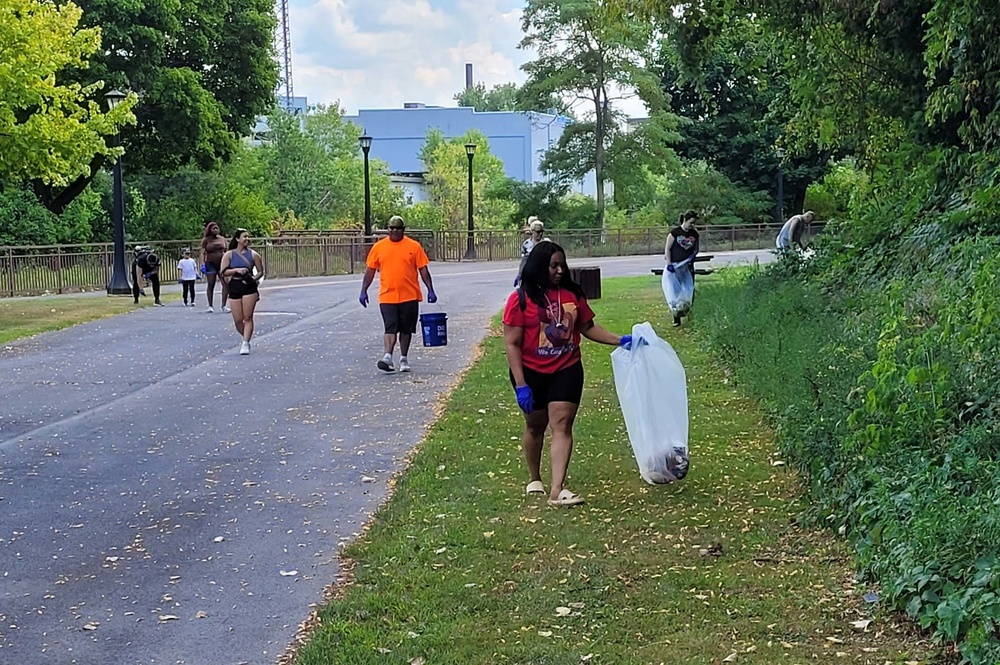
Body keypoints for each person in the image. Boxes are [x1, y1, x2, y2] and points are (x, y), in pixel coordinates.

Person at [502, 241, 633, 507]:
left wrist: (621, 340)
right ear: (540, 267)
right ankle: (534, 477)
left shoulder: (573, 295)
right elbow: (512, 343)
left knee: (562, 425)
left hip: (566, 368)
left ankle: (557, 489)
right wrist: (521, 384)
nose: (560, 270)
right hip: (530, 371)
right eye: (553, 266)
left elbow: (587, 327)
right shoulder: (521, 299)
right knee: (535, 425)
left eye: (562, 265)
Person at [359, 215, 437, 373]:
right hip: (387, 295)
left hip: (409, 295)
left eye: (398, 228)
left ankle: (403, 358)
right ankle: (387, 356)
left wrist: (430, 289)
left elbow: (423, 270)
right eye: (391, 228)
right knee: (390, 326)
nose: (394, 231)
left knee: (406, 329)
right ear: (388, 229)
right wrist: (363, 290)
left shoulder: (413, 246)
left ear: (403, 230)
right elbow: (370, 271)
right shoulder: (379, 247)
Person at [219, 229, 265, 355]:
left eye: (248, 236)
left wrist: (253, 279)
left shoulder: (254, 255)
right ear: (237, 239)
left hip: (248, 286)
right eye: (244, 236)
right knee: (238, 319)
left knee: (247, 317)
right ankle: (246, 336)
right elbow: (223, 272)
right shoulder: (229, 255)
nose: (247, 239)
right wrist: (237, 270)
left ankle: (245, 342)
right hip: (235, 286)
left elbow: (261, 271)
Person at [665, 210, 700, 327]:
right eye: (691, 223)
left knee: (689, 290)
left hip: (687, 266)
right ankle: (676, 318)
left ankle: (689, 314)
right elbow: (667, 249)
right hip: (675, 267)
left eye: (694, 223)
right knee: (676, 292)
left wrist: (693, 255)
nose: (692, 225)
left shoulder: (694, 234)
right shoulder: (675, 233)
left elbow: (696, 248)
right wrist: (669, 263)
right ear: (685, 220)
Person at [200, 221, 229, 313]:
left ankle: (224, 305)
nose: (216, 230)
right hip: (210, 263)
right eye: (213, 228)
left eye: (217, 228)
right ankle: (210, 305)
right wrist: (202, 263)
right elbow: (202, 252)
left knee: (225, 283)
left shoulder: (222, 239)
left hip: (222, 263)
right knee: (211, 284)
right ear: (209, 230)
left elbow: (227, 250)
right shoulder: (206, 240)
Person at [515, 217, 550, 287]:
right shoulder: (526, 244)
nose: (540, 234)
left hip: (544, 274)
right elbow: (524, 261)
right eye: (538, 232)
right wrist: (520, 274)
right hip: (531, 274)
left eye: (541, 231)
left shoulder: (547, 243)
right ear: (532, 232)